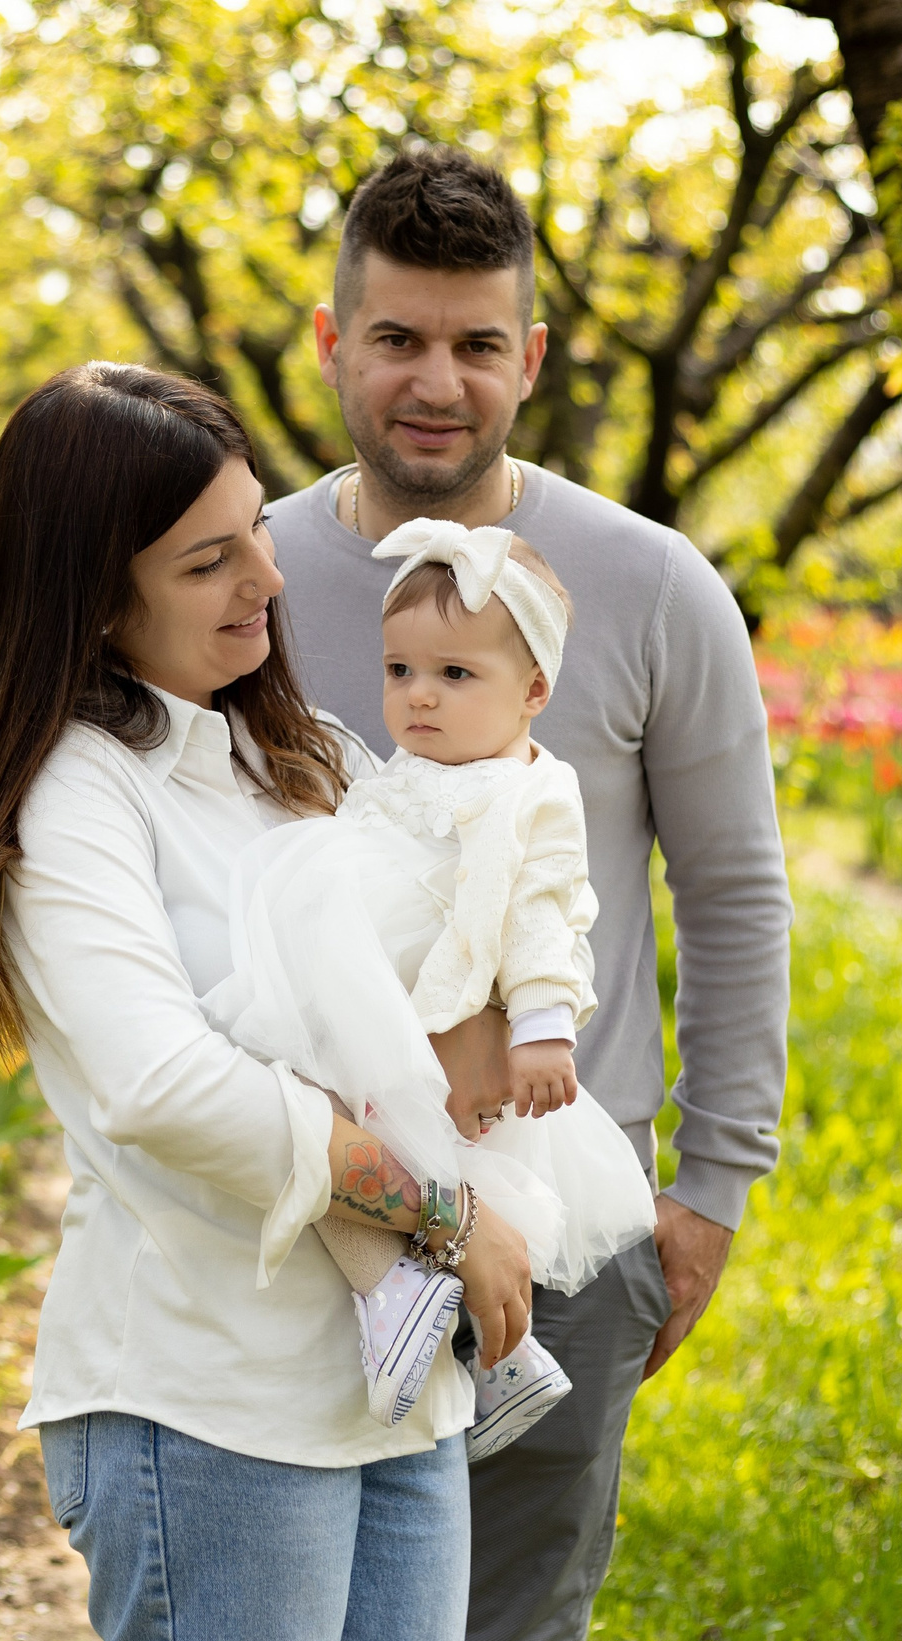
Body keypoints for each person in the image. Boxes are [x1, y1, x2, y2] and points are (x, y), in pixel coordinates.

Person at [265, 148, 794, 1641]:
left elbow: (737, 886)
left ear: (532, 358)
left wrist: (711, 1185)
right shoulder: (245, 577)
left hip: (564, 1202)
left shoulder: (650, 584)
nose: (440, 382)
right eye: (399, 339)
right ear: (330, 340)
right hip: (312, 1196)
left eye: (478, 344)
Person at [0, 362, 533, 1641]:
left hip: (394, 1387)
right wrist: (443, 1206)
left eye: (257, 526)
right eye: (210, 558)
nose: (266, 576)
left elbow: (439, 946)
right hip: (213, 1402)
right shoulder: (74, 795)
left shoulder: (297, 753)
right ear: (95, 597)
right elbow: (163, 1086)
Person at [200, 520, 657, 1454]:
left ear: (533, 691)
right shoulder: (407, 768)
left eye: (454, 675)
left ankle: (472, 1331)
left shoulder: (535, 791)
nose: (418, 697)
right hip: (375, 993)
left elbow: (546, 914)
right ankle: (404, 1302)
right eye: (400, 670)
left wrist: (537, 1025)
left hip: (441, 1007)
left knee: (426, 1154)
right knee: (331, 1127)